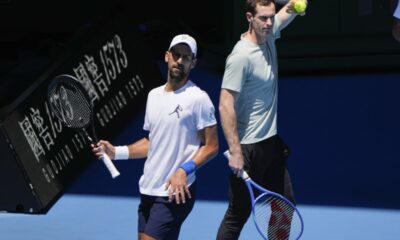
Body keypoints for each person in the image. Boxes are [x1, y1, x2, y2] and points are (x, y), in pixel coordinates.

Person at [92, 34, 219, 240]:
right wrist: (116, 152)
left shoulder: (199, 99)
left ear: (193, 63)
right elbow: (152, 142)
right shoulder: (154, 96)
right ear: (167, 56)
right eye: (176, 54)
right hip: (149, 187)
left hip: (175, 192)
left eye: (186, 57)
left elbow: (211, 146)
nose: (180, 60)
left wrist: (183, 170)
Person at [216, 0, 306, 239]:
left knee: (285, 206)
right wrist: (235, 151)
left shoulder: (270, 30)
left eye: (270, 17)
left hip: (271, 143)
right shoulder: (240, 56)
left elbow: (289, 9)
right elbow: (225, 103)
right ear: (249, 18)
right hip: (248, 148)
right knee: (238, 214)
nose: (269, 23)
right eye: (263, 18)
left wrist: (298, 5)